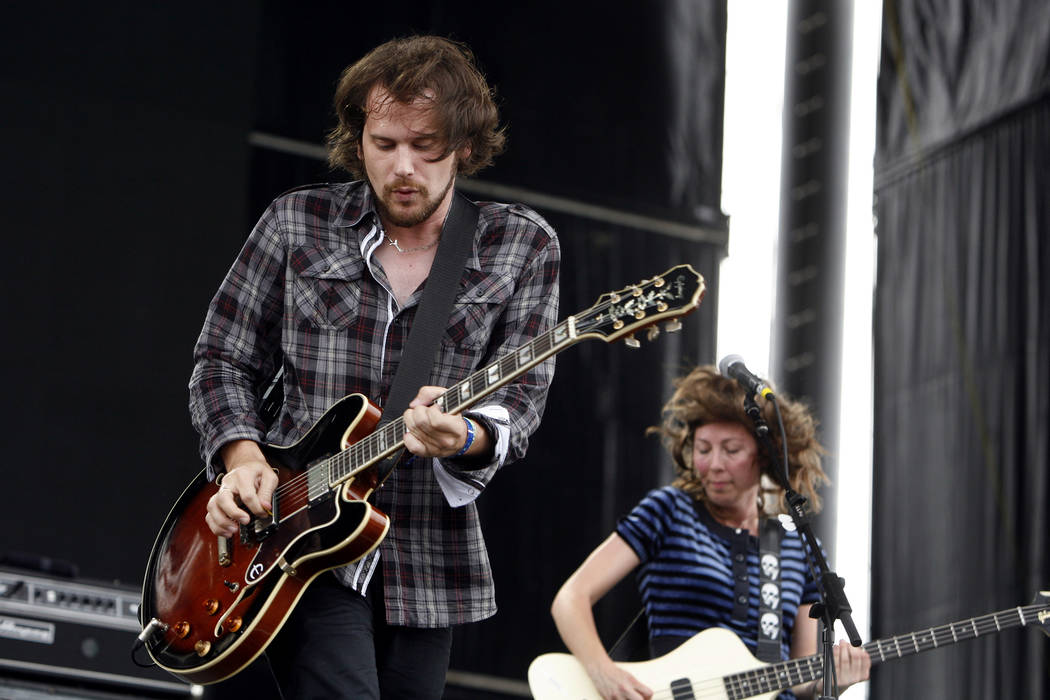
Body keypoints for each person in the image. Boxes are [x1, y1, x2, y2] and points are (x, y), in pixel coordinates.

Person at [189, 35, 561, 699]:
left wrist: (466, 436)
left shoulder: (521, 246)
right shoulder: (297, 223)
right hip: (292, 540)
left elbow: (521, 400)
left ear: (466, 148)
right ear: (358, 138)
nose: (403, 167)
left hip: (426, 561)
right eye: (385, 143)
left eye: (427, 146)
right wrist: (244, 461)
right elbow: (221, 357)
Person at [549, 366, 870, 699]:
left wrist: (833, 680)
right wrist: (603, 672)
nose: (714, 464)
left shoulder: (798, 548)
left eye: (731, 450)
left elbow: (798, 679)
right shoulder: (669, 511)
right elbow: (571, 599)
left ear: (763, 456)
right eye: (703, 449)